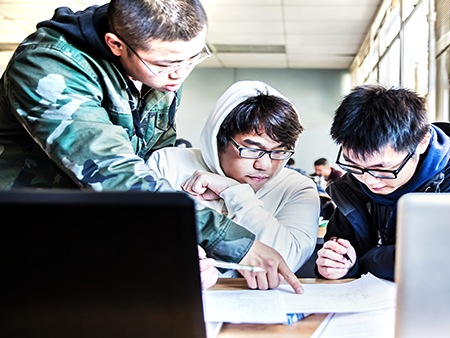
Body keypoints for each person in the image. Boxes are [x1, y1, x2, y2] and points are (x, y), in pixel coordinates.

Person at [0, 0, 303, 293]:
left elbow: (155, 161)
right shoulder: (50, 64)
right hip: (27, 241)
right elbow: (118, 174)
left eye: (192, 58)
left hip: (96, 239)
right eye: (165, 63)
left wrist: (182, 243)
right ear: (116, 44)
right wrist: (236, 243)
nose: (180, 74)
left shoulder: (160, 74)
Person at [316, 84, 450, 281]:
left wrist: (363, 262)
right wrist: (338, 265)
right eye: (353, 165)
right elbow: (342, 247)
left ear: (422, 142)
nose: (369, 180)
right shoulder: (356, 179)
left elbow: (446, 261)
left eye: (382, 168)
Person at [146, 80, 320, 273]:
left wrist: (234, 191)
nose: (265, 165)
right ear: (218, 139)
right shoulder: (168, 164)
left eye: (279, 151)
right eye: (252, 149)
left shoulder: (297, 187)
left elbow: (285, 263)